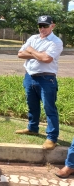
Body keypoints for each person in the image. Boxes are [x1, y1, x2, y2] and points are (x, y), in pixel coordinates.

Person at [16, 15, 63, 150]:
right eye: (40, 26)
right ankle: (32, 128)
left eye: (45, 26)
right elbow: (20, 54)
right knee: (32, 105)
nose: (42, 29)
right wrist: (37, 54)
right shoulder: (33, 38)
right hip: (30, 76)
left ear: (52, 26)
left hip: (46, 79)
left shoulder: (56, 41)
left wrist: (31, 50)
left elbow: (47, 58)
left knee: (49, 108)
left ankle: (52, 137)